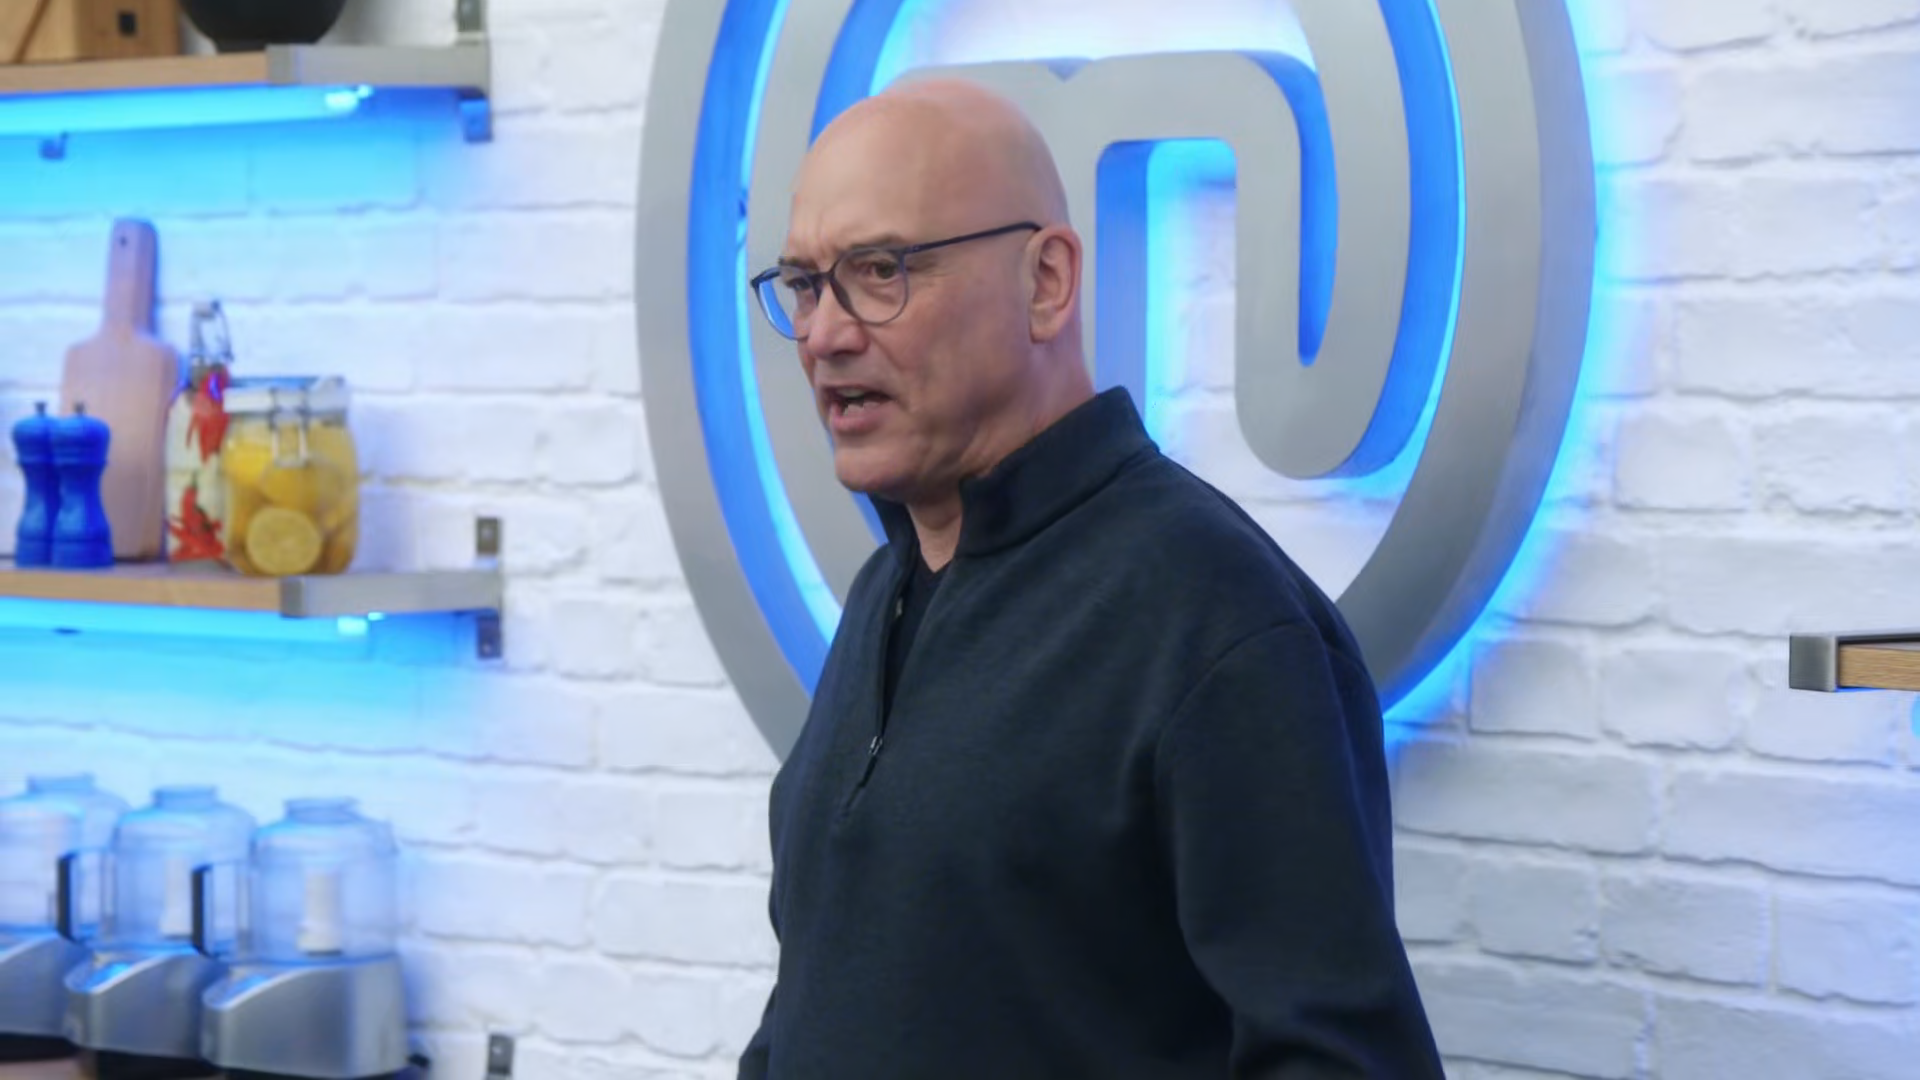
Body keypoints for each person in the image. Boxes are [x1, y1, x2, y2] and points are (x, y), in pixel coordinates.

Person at [737, 76, 1443, 1079]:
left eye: (880, 270)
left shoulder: (1219, 621)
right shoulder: (881, 593)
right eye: (805, 284)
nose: (823, 334)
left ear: (1047, 281)